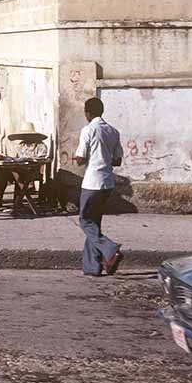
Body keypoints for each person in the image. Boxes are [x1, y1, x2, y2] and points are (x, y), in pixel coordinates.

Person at [74, 97, 125, 277]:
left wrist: (79, 158)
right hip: (107, 183)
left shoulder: (88, 130)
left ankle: (110, 249)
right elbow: (117, 160)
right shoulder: (113, 131)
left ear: (88, 113)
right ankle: (92, 267)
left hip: (92, 182)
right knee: (94, 223)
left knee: (85, 221)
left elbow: (80, 158)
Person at [0, 122, 50, 216]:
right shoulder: (21, 145)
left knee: (16, 174)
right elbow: (15, 157)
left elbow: (42, 159)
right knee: (2, 173)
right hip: (18, 169)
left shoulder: (40, 146)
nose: (26, 138)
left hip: (32, 171)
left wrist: (30, 161)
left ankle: (17, 204)